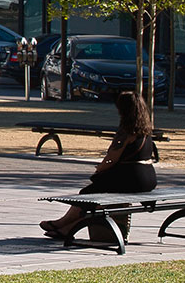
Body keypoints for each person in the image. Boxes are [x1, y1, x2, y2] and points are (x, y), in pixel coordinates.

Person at [40, 91, 158, 243]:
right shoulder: (146, 130)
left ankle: (63, 225)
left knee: (89, 194)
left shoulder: (126, 131)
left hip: (132, 178)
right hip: (148, 178)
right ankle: (65, 227)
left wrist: (100, 169)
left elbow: (111, 158)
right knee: (94, 193)